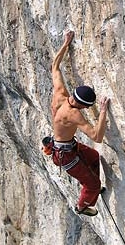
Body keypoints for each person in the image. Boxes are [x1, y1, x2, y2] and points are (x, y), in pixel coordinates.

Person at [47, 30, 110, 216]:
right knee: (94, 184)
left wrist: (66, 43)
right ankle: (82, 206)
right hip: (64, 155)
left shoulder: (61, 94)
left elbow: (55, 67)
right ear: (83, 106)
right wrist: (103, 112)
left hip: (66, 146)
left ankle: (90, 188)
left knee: (93, 157)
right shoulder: (73, 114)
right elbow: (97, 136)